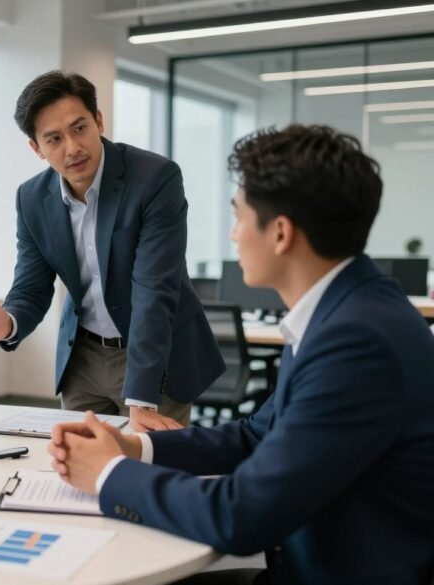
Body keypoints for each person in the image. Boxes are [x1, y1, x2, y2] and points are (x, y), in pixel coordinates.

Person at [48, 125, 434, 584]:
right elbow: (256, 434)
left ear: (281, 233)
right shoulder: (345, 309)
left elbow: (241, 516)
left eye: (238, 217)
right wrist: (136, 447)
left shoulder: (358, 341)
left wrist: (109, 475)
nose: (233, 236)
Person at [0, 70, 223, 431]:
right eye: (54, 139)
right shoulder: (31, 198)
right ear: (36, 148)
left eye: (79, 128)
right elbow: (31, 285)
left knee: (153, 468)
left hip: (155, 355)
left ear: (98, 120)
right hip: (83, 357)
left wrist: (142, 398)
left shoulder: (155, 178)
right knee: (74, 471)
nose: (72, 148)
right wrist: (10, 322)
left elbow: (154, 289)